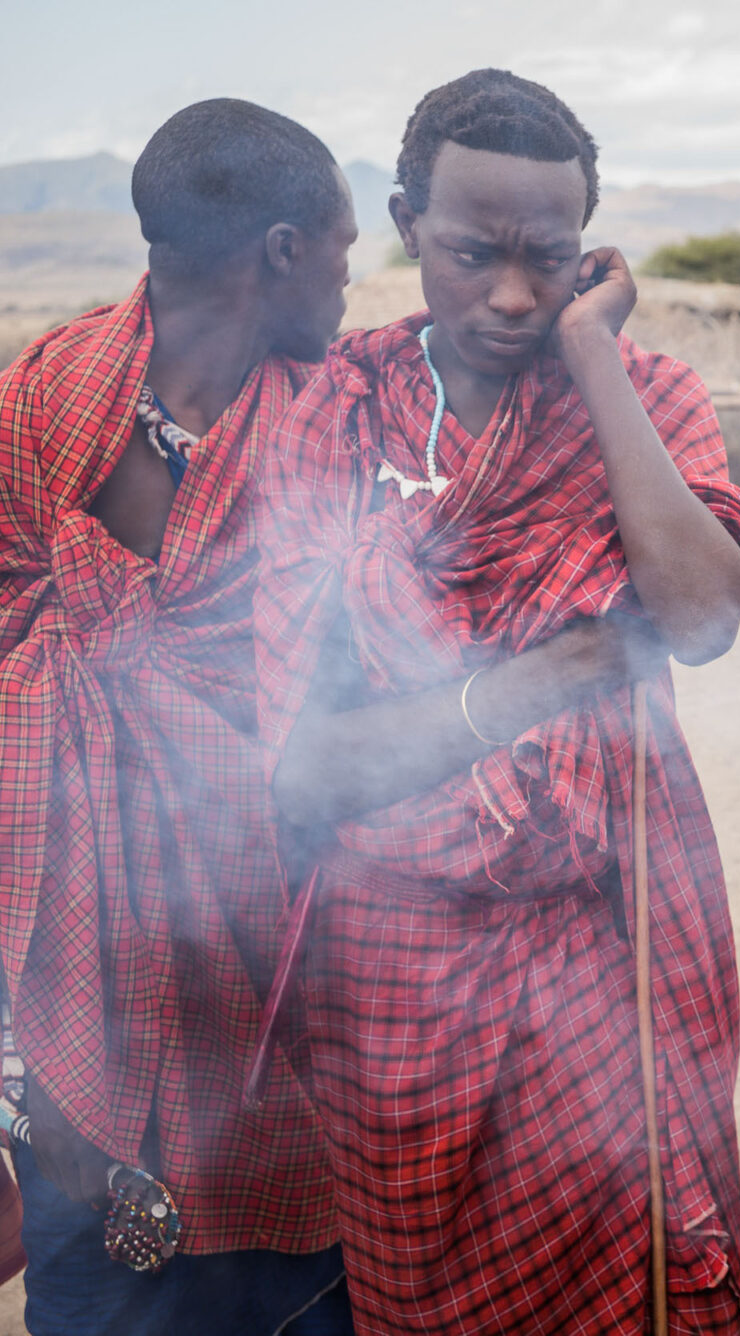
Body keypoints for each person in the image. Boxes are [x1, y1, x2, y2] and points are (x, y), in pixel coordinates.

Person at [253, 69, 740, 1334]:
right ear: (403, 223)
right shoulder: (331, 409)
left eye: (549, 261)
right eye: (472, 252)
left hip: (606, 922)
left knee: (639, 1268)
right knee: (426, 1301)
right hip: (394, 958)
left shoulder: (644, 393)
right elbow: (306, 765)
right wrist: (543, 680)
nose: (514, 296)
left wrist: (594, 360)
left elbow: (699, 617)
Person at [0, 99, 358, 1336]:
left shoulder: (334, 421)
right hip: (77, 955)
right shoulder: (44, 402)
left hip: (276, 960)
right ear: (281, 249)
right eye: (344, 248)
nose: (352, 285)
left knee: (291, 1266)